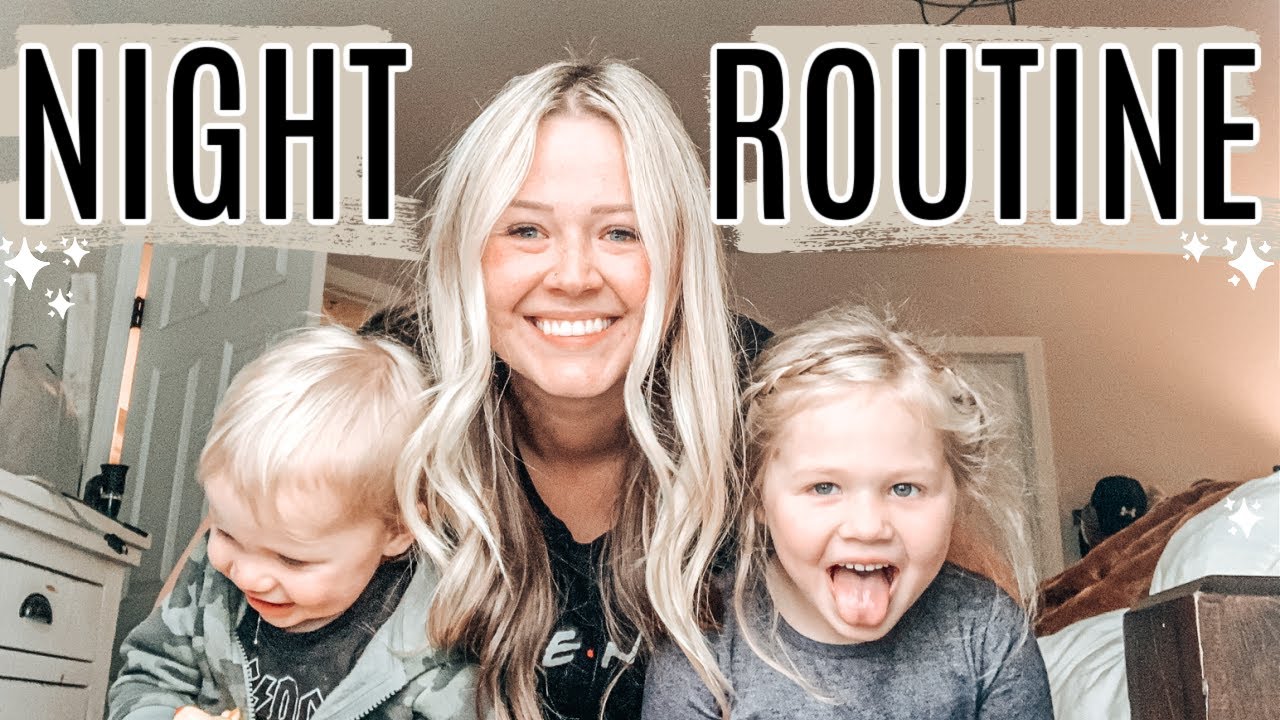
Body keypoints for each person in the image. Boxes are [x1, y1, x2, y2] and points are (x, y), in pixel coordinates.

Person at [371, 58, 760, 720]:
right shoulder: (388, 384)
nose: (574, 277)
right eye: (526, 230)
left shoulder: (771, 406)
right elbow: (210, 631)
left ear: (679, 258)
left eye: (621, 232)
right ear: (467, 251)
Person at [641, 306, 1053, 719]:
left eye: (905, 488)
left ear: (957, 495)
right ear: (757, 497)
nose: (868, 527)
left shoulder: (989, 632)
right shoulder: (704, 644)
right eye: (824, 487)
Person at [108, 325, 477, 720]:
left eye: (291, 559)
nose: (248, 576)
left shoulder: (436, 639)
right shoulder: (208, 585)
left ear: (397, 529)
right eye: (226, 533)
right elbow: (143, 681)